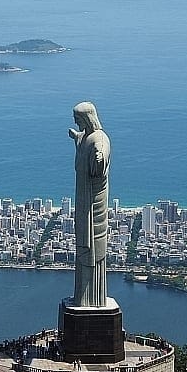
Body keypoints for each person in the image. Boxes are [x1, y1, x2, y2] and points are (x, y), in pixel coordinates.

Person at [70, 102, 111, 307]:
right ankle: (83, 298)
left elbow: (100, 152)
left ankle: (93, 299)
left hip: (93, 202)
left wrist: (100, 157)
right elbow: (84, 143)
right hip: (83, 199)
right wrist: (76, 137)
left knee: (92, 245)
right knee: (83, 245)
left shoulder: (99, 139)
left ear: (87, 118)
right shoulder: (86, 136)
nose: (75, 122)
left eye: (77, 118)